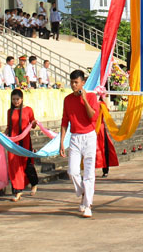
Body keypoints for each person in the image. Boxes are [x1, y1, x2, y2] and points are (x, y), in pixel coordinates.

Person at [59, 70, 99, 218]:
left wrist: (85, 99)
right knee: (72, 171)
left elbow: (92, 117)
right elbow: (64, 121)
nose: (74, 85)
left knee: (89, 172)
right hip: (75, 137)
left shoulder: (91, 97)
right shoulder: (67, 100)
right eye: (72, 82)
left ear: (83, 83)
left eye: (76, 82)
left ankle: (88, 204)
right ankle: (83, 192)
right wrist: (62, 142)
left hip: (89, 136)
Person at [6, 88, 39, 200]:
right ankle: (17, 191)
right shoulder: (10, 112)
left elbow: (32, 124)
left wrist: (34, 123)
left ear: (22, 99)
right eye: (14, 99)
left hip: (25, 140)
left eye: (18, 99)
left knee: (27, 162)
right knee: (13, 164)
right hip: (13, 141)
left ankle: (33, 182)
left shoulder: (28, 110)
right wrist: (2, 136)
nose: (16, 101)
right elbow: (9, 126)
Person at [95, 95, 119, 179]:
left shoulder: (102, 104)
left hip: (100, 130)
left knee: (104, 149)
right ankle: (90, 170)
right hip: (91, 129)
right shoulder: (90, 103)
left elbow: (106, 113)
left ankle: (105, 170)